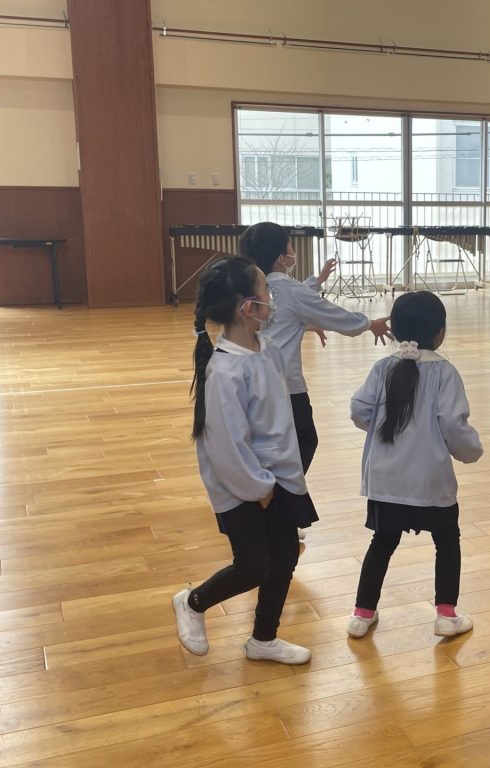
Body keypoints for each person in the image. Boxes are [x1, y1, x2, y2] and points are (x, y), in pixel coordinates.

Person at [172, 256, 318, 665]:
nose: (272, 296)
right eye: (266, 290)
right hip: (244, 486)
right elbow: (226, 446)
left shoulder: (266, 349)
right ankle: (193, 602)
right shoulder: (224, 372)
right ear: (248, 308)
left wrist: (279, 478)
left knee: (285, 557)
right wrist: (258, 488)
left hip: (277, 477)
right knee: (253, 566)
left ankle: (263, 639)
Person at [346, 291, 483, 638]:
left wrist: (379, 426)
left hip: (386, 482)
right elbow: (453, 424)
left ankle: (362, 614)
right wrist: (471, 451)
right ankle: (446, 614)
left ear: (395, 330)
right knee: (447, 541)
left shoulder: (383, 368)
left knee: (382, 543)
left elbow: (359, 409)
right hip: (430, 481)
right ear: (440, 333)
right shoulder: (445, 372)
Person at [239, 221, 390, 474]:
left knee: (265, 443)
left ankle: (265, 485)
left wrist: (313, 297)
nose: (293, 252)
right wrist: (369, 323)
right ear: (281, 258)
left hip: (248, 382)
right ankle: (279, 490)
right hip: (285, 387)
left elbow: (283, 314)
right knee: (304, 441)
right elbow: (333, 315)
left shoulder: (247, 286)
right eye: (290, 247)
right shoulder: (289, 290)